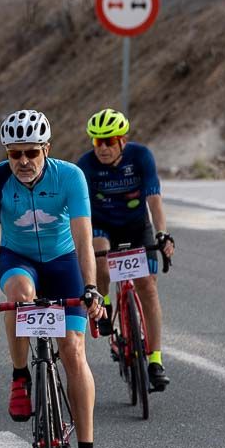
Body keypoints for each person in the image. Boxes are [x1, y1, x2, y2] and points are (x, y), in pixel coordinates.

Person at [0, 110, 105, 448]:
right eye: (15, 154)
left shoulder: (70, 176)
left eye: (32, 152)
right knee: (18, 295)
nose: (24, 162)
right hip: (19, 261)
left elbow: (83, 240)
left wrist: (91, 288)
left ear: (47, 149)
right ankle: (20, 376)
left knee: (73, 350)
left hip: (64, 261)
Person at [76, 108, 176, 391]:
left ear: (123, 140)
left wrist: (161, 233)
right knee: (103, 262)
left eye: (110, 140)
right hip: (102, 226)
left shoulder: (140, 157)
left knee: (147, 286)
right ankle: (106, 306)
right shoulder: (85, 165)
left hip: (136, 227)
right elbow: (80, 212)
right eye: (98, 141)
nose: (103, 148)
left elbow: (154, 198)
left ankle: (155, 359)